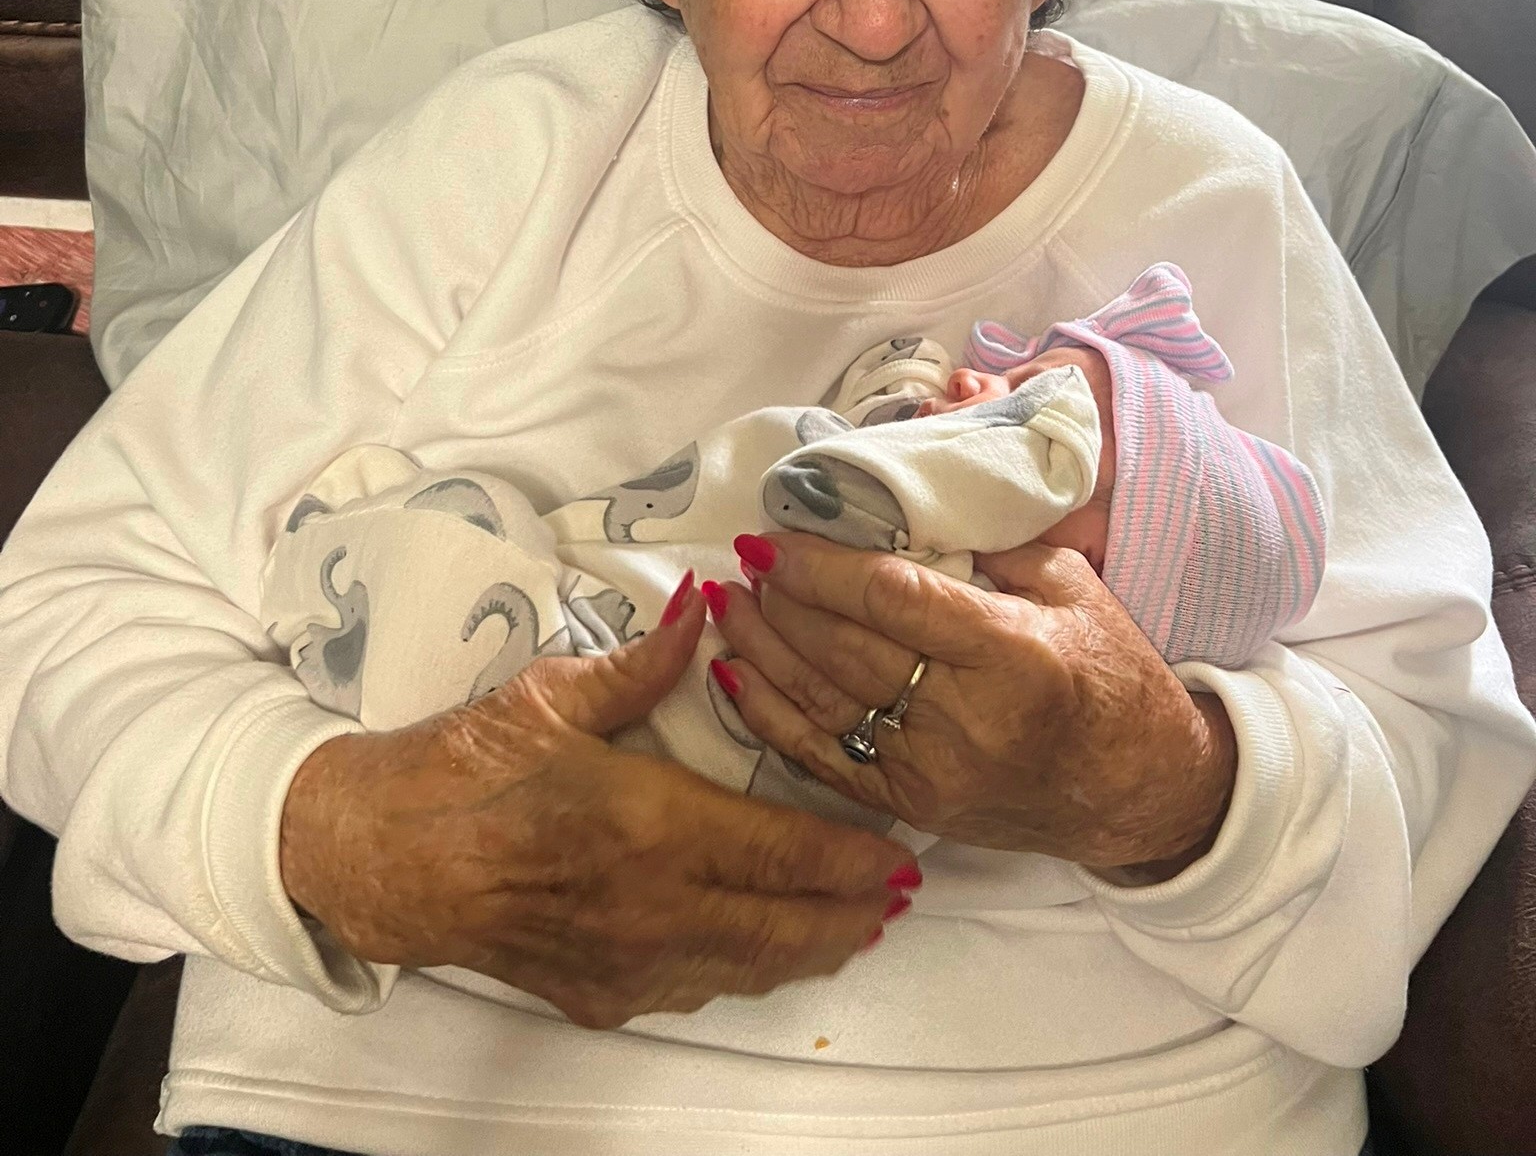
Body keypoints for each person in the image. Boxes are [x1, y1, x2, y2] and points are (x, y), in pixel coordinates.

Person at [1, 0, 1532, 1156]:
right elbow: (69, 604)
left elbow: (1426, 745)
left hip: (1088, 1113)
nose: (874, 19)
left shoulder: (1210, 201)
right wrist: (344, 836)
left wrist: (1155, 777)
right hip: (433, 1101)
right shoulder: (506, 154)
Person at [261, 261, 1327, 846]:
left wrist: (992, 448)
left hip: (622, 724)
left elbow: (843, 498)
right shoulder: (917, 484)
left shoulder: (962, 604)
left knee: (462, 584)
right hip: (596, 610)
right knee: (472, 529)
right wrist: (912, 393)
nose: (978, 388)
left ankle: (362, 617)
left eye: (1029, 419)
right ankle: (368, 602)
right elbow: (860, 423)